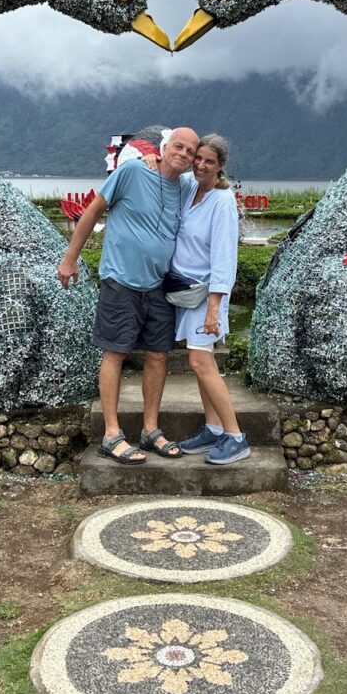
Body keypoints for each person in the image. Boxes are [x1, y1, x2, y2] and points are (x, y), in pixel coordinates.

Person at [57, 127, 199, 465]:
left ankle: (150, 430)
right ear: (164, 148)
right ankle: (111, 434)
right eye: (177, 146)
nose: (183, 154)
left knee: (158, 356)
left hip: (159, 286)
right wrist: (69, 258)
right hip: (120, 280)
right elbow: (93, 211)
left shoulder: (184, 187)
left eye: (190, 151)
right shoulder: (133, 170)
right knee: (115, 353)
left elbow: (214, 183)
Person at [146, 133, 249, 464]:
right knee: (205, 364)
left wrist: (215, 308)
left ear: (222, 166)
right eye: (199, 158)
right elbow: (165, 170)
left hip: (207, 295)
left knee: (199, 362)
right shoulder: (190, 186)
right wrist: (149, 160)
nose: (202, 164)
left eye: (210, 161)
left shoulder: (222, 203)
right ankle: (213, 428)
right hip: (185, 292)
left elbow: (224, 259)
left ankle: (235, 436)